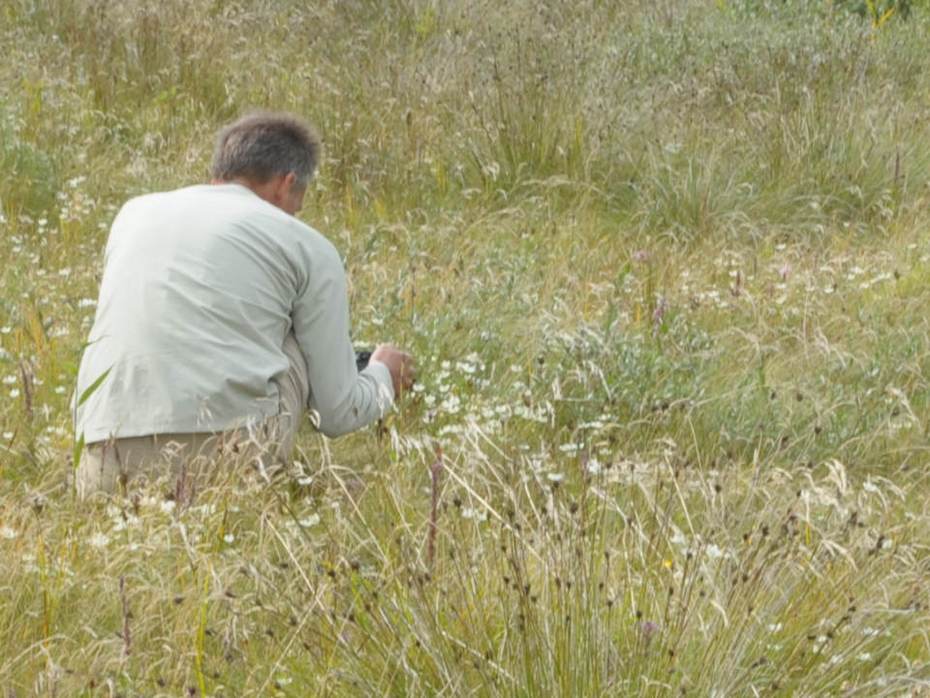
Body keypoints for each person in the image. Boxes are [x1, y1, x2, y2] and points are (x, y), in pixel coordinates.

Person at [74, 112, 414, 496]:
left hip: (104, 467)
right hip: (226, 469)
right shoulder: (305, 245)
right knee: (294, 338)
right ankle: (282, 486)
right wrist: (383, 376)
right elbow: (337, 413)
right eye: (295, 205)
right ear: (286, 185)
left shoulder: (132, 215)